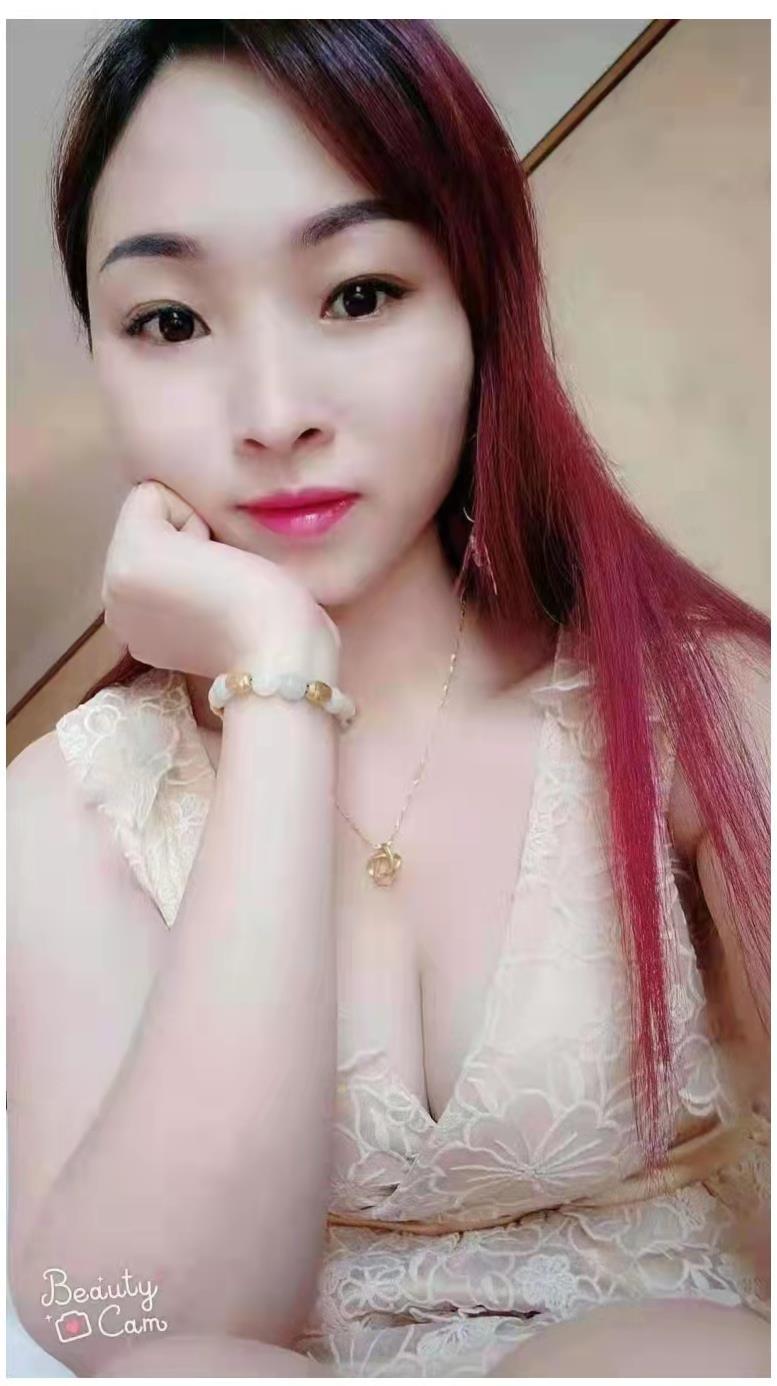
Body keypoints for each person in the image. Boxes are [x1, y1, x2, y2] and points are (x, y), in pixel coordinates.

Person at [7, 19, 769, 1379]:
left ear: (480, 303)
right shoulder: (76, 805)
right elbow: (123, 1325)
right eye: (170, 321)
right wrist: (277, 685)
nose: (273, 409)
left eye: (358, 293)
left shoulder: (695, 708)